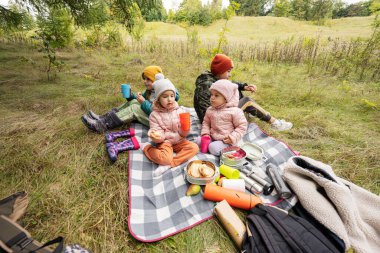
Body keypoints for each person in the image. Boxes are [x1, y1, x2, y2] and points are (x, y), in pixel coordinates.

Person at [194, 54, 293, 131]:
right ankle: (275, 123)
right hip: (214, 122)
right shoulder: (207, 85)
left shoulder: (211, 78)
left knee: (235, 90)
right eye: (228, 71)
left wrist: (244, 86)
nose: (229, 74)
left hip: (213, 115)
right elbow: (207, 113)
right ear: (220, 70)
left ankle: (250, 112)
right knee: (247, 101)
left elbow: (231, 84)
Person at [81, 66, 180, 133]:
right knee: (134, 102)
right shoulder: (151, 91)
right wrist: (130, 95)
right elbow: (139, 101)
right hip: (155, 117)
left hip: (161, 122)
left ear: (156, 80)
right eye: (144, 79)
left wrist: (143, 102)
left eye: (148, 79)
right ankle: (103, 118)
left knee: (135, 108)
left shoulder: (163, 94)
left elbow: (155, 111)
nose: (145, 82)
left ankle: (103, 125)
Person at [141, 74, 199, 177]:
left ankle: (169, 165)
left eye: (172, 96)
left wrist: (185, 129)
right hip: (165, 141)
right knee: (165, 158)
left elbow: (183, 133)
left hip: (178, 140)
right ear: (158, 99)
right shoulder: (154, 115)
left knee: (194, 147)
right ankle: (147, 148)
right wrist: (157, 136)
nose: (170, 99)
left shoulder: (179, 110)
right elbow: (157, 131)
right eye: (165, 96)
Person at [199, 79, 248, 156]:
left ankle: (232, 149)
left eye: (216, 95)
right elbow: (206, 123)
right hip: (213, 136)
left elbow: (242, 126)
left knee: (213, 148)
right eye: (211, 94)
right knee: (199, 141)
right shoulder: (210, 110)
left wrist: (232, 138)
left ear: (226, 98)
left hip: (226, 140)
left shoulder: (235, 111)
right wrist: (206, 133)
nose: (212, 97)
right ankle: (212, 146)